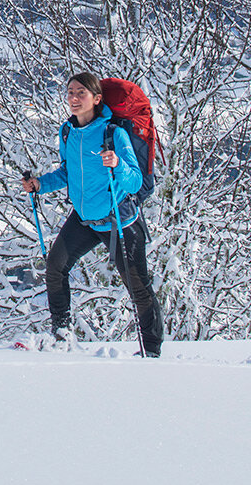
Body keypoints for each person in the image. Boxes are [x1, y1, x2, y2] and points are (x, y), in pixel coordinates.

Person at [19, 72, 163, 356]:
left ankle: (152, 352)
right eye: (70, 92)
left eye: (80, 93)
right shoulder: (67, 133)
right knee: (55, 269)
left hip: (119, 220)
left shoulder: (114, 134)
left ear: (97, 99)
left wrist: (118, 163)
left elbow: (135, 181)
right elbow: (68, 173)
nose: (73, 98)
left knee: (138, 288)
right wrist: (40, 184)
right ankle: (62, 336)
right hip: (84, 218)